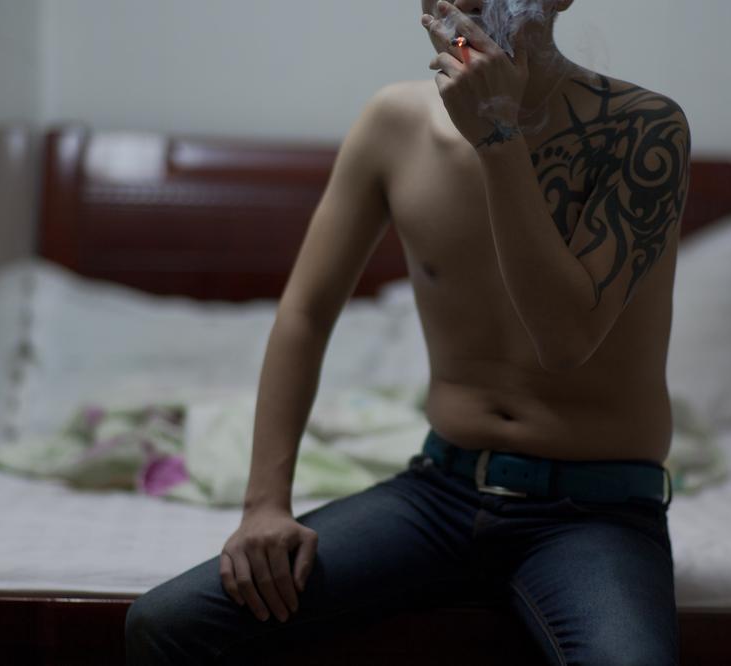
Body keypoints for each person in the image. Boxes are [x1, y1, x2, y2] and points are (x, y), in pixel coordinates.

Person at [126, 0, 691, 663]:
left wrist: (498, 135)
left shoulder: (643, 128)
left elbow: (563, 342)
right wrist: (264, 506)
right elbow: (306, 312)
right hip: (441, 492)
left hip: (596, 508)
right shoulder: (393, 124)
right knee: (165, 624)